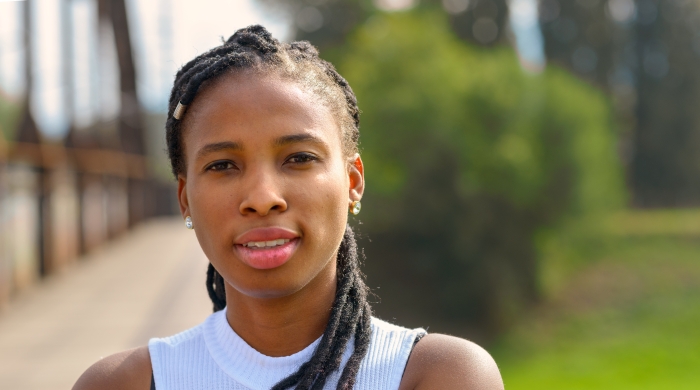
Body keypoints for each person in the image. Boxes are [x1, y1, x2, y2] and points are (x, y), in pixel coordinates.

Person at [73, 25, 504, 390]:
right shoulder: (125, 383)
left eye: (298, 158)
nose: (262, 197)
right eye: (223, 165)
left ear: (353, 182)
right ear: (185, 198)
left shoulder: (436, 375)